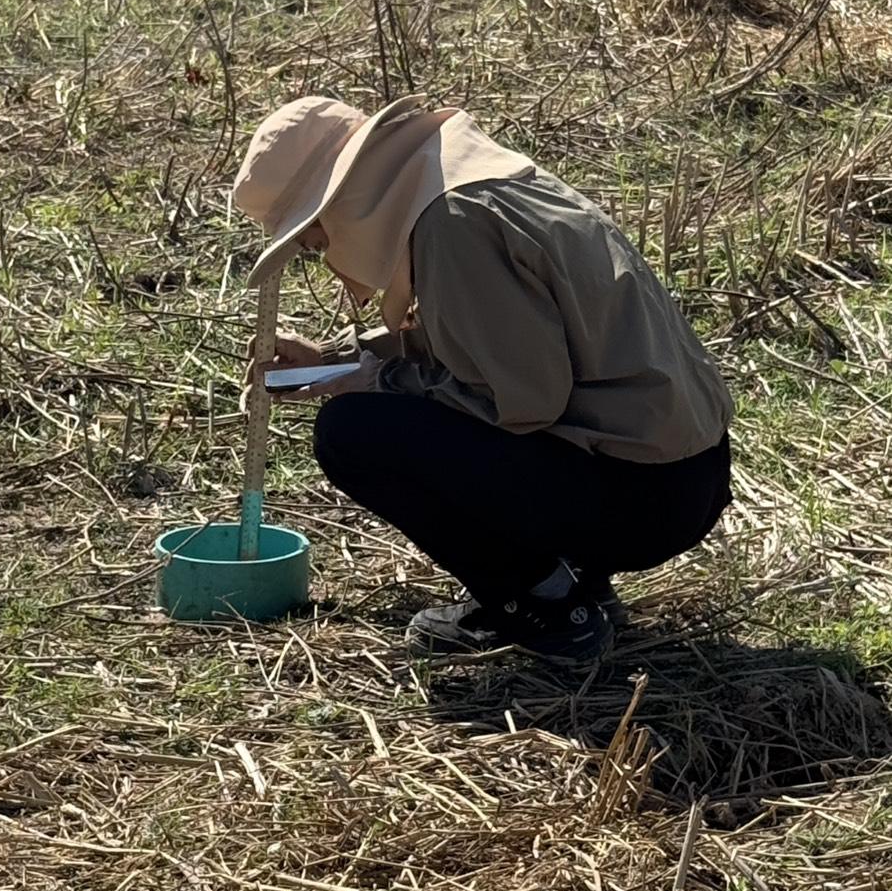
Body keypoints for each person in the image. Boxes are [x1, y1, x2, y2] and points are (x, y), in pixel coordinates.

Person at [232, 94, 733, 663]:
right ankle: (576, 582)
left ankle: (544, 606)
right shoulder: (465, 180)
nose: (320, 253)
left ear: (343, 197)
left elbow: (520, 398)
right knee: (385, 412)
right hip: (680, 472)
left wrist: (374, 382)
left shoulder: (453, 224)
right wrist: (340, 359)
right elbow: (483, 342)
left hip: (647, 496)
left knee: (354, 434)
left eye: (314, 234)